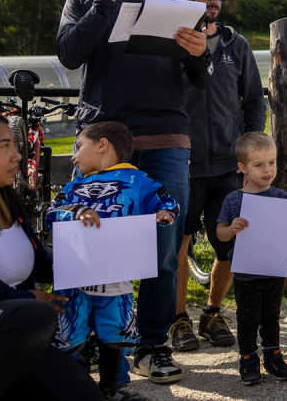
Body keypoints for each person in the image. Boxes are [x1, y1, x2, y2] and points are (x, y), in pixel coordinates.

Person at [55, 0, 211, 383]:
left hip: (165, 135)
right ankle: (88, 345)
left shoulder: (171, 2)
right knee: (90, 240)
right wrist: (106, 1)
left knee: (165, 247)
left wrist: (199, 54)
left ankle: (151, 345)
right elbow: (68, 54)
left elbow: (197, 80)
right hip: (103, 138)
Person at [170, 0, 266, 353]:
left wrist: (252, 151)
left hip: (228, 163)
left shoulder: (236, 44)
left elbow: (254, 101)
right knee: (178, 243)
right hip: (183, 163)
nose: (215, 2)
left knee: (231, 244)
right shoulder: (167, 42)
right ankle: (177, 320)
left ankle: (212, 311)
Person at [47, 122, 178, 400]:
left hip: (116, 282)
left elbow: (168, 202)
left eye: (78, 146)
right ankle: (76, 388)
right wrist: (77, 210)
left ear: (102, 145)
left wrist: (164, 215)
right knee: (72, 336)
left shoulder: (140, 182)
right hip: (74, 281)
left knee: (115, 334)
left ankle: (113, 387)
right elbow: (51, 210)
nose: (73, 155)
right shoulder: (74, 186)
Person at [0, 116, 102, 401]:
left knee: (86, 395)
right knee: (37, 315)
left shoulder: (9, 199)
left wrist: (94, 265)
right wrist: (28, 299)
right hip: (16, 321)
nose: (17, 154)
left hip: (13, 333)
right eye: (4, 146)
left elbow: (40, 262)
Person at [216, 133, 287, 386]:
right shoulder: (233, 200)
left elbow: (285, 233)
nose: (268, 170)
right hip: (246, 274)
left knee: (271, 317)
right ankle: (247, 360)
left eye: (272, 162)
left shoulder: (281, 198)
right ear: (242, 168)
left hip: (274, 272)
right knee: (247, 319)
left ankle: (273, 357)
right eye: (259, 165)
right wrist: (230, 228)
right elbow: (220, 233)